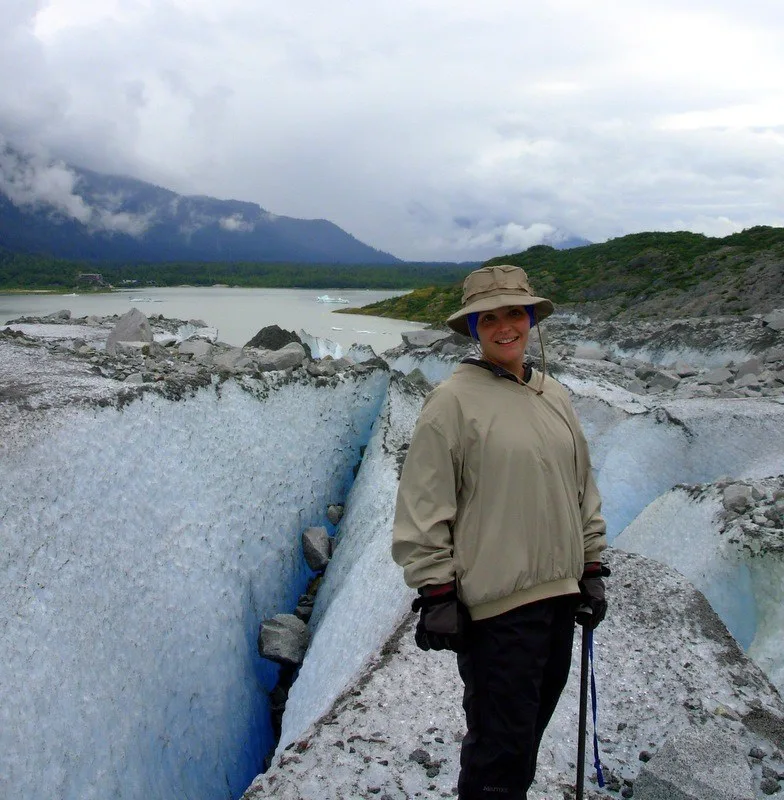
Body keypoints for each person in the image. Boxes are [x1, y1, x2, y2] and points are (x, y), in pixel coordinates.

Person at [391, 264, 608, 800]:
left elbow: (581, 487)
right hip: (497, 612)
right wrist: (436, 591)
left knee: (525, 739)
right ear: (473, 328)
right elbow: (424, 504)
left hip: (559, 598)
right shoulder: (452, 402)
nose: (505, 326)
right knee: (498, 751)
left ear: (531, 318)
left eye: (516, 312)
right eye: (489, 317)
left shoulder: (552, 394)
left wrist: (593, 565)